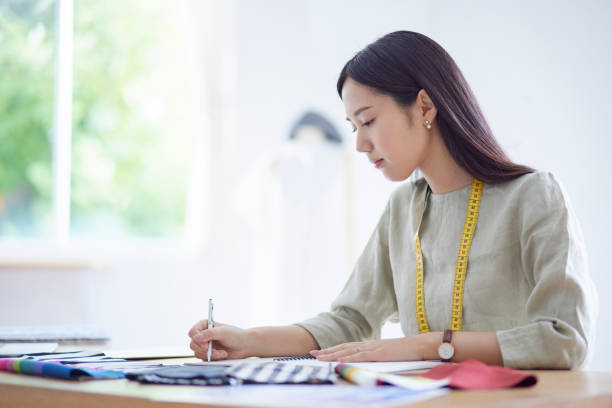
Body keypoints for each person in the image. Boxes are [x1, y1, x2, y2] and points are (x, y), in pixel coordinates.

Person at [189, 31, 597, 369]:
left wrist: (425, 345)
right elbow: (350, 320)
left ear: (424, 105)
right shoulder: (404, 208)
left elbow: (565, 339)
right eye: (353, 128)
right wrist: (247, 340)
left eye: (368, 120)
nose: (362, 144)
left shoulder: (533, 196)